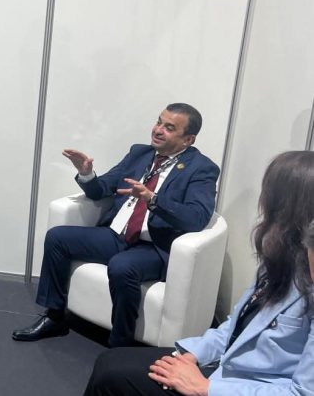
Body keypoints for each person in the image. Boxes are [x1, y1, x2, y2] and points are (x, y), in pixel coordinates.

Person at [83, 150, 314, 395]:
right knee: (110, 362)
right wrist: (194, 353)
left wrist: (206, 387)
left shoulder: (201, 169)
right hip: (226, 367)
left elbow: (303, 392)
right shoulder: (279, 261)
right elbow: (234, 326)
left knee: (113, 375)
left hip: (236, 386)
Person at [13, 103, 219, 347]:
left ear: (188, 139)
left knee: (122, 267)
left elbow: (196, 217)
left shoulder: (202, 169)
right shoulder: (139, 153)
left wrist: (153, 199)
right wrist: (86, 174)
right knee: (58, 237)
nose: (158, 130)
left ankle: (120, 344)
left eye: (169, 128)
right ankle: (55, 316)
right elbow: (101, 189)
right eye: (159, 122)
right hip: (117, 235)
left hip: (154, 246)